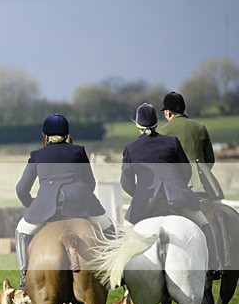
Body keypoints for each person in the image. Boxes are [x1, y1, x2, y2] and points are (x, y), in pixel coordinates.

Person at [121, 103, 222, 278]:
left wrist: (140, 195)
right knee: (204, 224)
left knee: (125, 231)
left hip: (146, 202)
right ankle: (214, 265)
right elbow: (186, 171)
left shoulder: (130, 148)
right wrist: (178, 188)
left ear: (137, 125)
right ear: (156, 123)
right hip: (178, 197)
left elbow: (126, 183)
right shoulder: (172, 142)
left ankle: (121, 273)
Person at [15, 114, 114, 290]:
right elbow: (90, 183)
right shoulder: (78, 151)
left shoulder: (37, 155)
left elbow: (21, 189)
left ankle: (24, 276)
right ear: (67, 134)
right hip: (81, 201)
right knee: (109, 228)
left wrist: (34, 205)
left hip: (47, 205)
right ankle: (116, 271)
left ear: (45, 136)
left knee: (21, 231)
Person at [158, 91, 224, 201]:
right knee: (219, 207)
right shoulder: (200, 127)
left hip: (176, 185)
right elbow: (209, 160)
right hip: (203, 184)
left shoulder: (162, 132)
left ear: (168, 113)